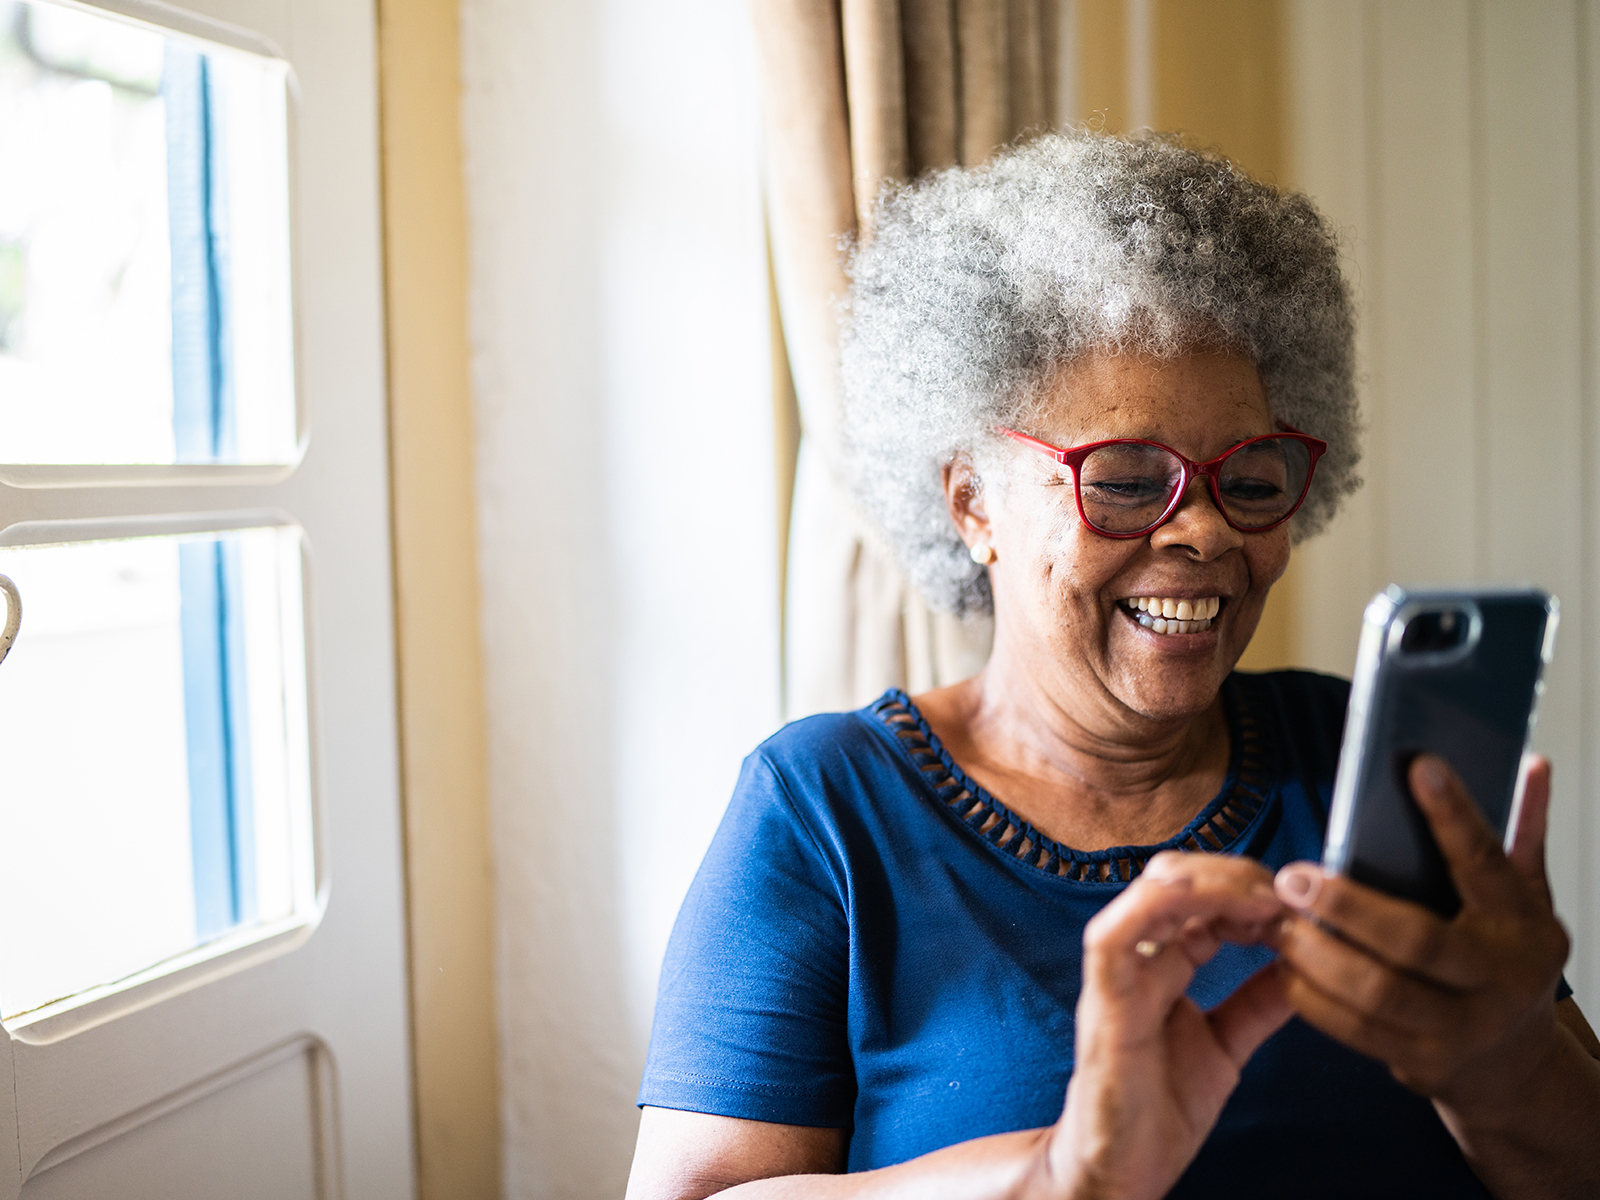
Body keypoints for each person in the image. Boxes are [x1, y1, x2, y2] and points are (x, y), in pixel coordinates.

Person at [625, 131, 1600, 1199]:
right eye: (1128, 480)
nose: (1205, 531)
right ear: (970, 503)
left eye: (1251, 476)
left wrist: (1505, 1069)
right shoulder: (824, 810)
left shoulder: (1368, 765)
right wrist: (1058, 1176)